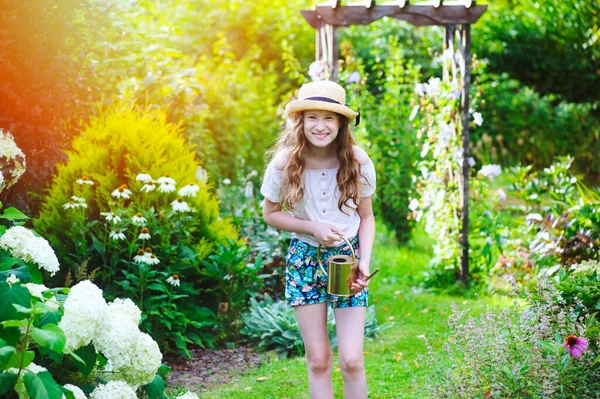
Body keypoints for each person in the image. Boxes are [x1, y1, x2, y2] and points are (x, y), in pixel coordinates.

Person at [260, 80, 376, 399]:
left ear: (341, 123)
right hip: (305, 260)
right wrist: (312, 227)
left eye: (329, 118)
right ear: (301, 120)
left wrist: (364, 262)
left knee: (352, 361)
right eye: (312, 117)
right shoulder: (285, 162)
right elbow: (270, 213)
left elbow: (366, 217)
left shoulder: (357, 161)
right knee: (319, 361)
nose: (320, 126)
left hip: (348, 261)